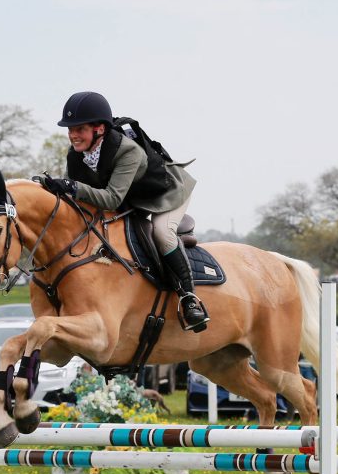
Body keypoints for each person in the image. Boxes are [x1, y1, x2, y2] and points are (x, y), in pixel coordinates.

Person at [34, 91, 208, 333]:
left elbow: (111, 197)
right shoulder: (76, 154)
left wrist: (72, 187)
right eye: (70, 129)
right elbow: (79, 202)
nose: (73, 135)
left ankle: (189, 299)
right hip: (131, 201)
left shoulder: (128, 151)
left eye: (79, 129)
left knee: (161, 233)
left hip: (166, 194)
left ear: (100, 129)